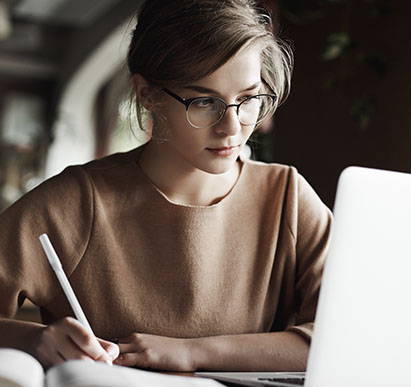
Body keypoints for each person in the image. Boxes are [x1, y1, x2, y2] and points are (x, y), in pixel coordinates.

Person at [0, 0, 332, 372]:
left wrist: (192, 353)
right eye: (205, 101)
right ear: (146, 94)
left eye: (248, 99)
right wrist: (35, 340)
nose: (232, 126)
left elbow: (344, 338)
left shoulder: (288, 199)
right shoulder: (74, 203)